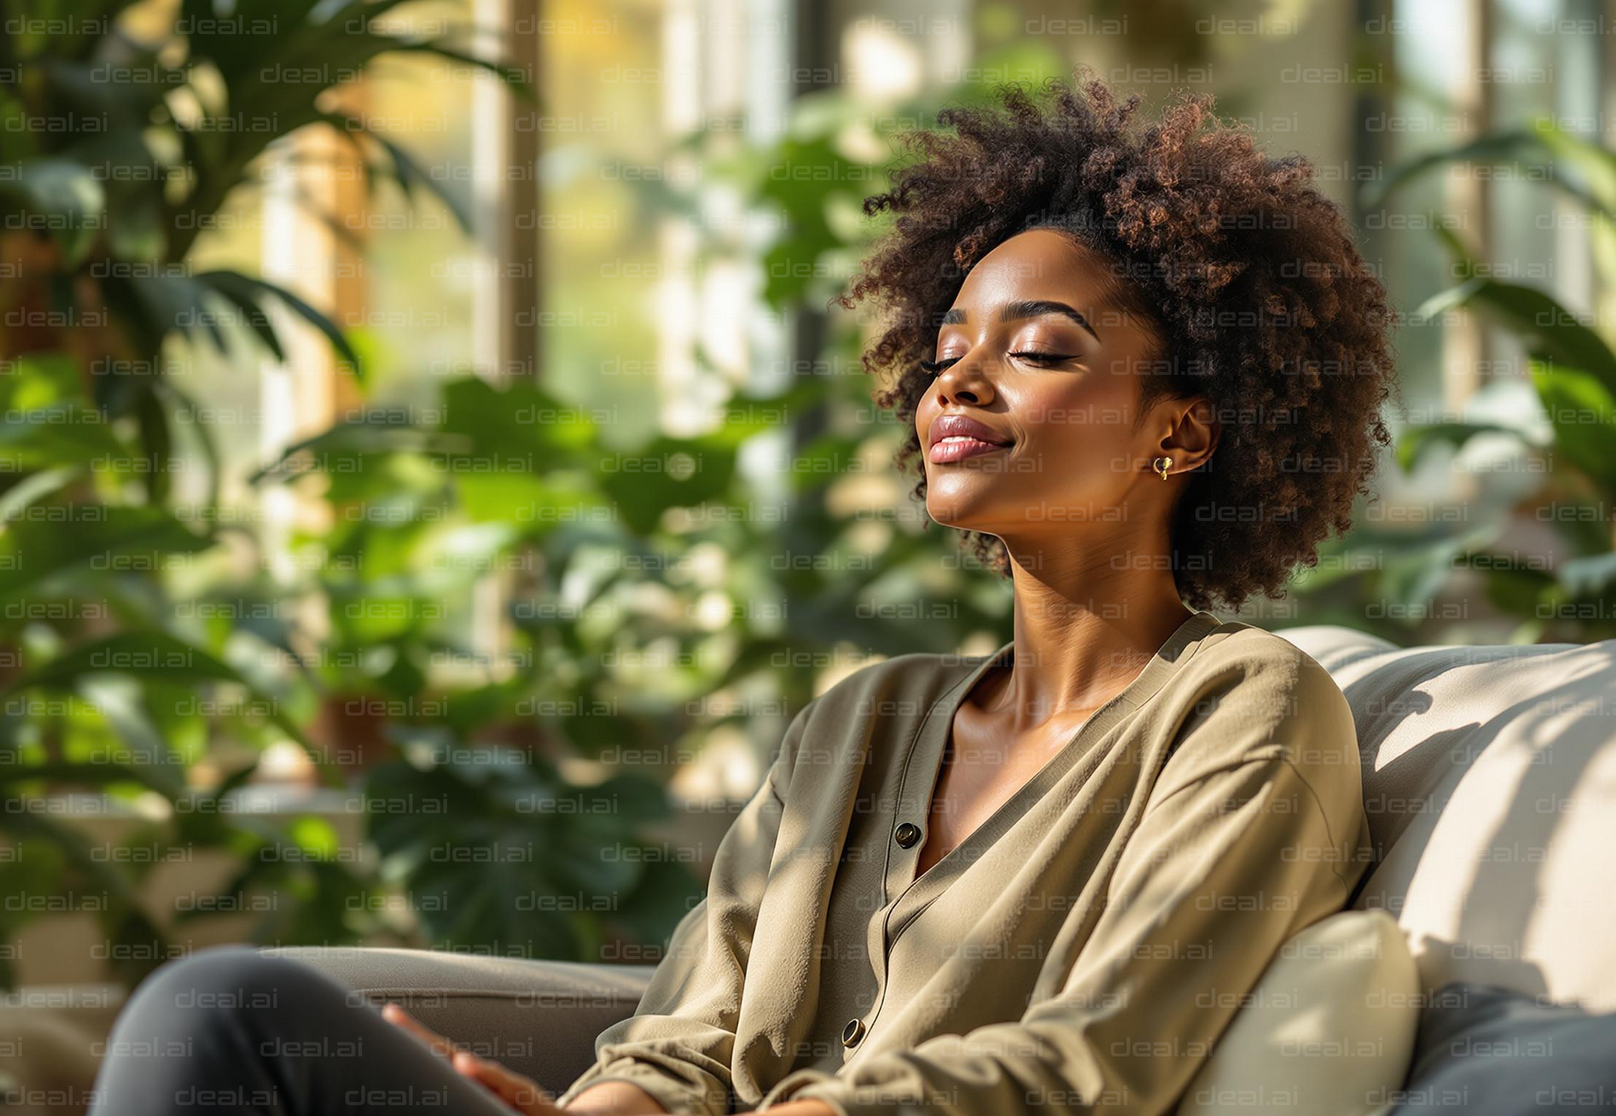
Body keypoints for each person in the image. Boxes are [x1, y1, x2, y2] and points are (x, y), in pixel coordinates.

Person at [87, 65, 1397, 1116]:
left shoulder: (1242, 713)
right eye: (947, 352)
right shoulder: (863, 719)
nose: (958, 383)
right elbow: (690, 1034)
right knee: (226, 1010)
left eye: (1040, 352)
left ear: (1183, 430)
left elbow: (1101, 1058)